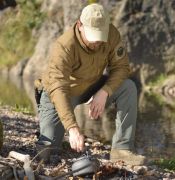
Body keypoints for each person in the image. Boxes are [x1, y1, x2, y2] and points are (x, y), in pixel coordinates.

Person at [36, 3, 145, 165]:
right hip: (62, 93)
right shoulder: (64, 46)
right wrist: (72, 128)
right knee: (46, 153)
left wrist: (104, 91)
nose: (97, 42)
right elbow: (58, 88)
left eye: (101, 36)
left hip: (92, 85)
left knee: (128, 87)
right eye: (93, 36)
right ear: (80, 25)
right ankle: (57, 137)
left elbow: (121, 68)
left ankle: (122, 150)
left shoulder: (112, 35)